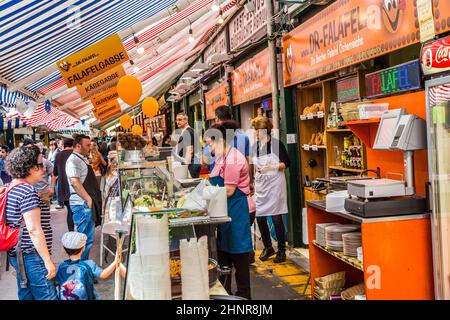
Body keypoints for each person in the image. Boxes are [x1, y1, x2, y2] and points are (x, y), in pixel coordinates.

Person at [205, 123, 254, 299]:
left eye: (209, 144)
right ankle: (225, 294)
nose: (209, 148)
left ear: (219, 140)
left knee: (239, 256)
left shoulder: (233, 158)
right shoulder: (221, 158)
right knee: (224, 254)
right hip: (225, 212)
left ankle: (243, 296)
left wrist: (204, 196)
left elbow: (229, 190)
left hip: (237, 211)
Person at [4, 145, 57, 300]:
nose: (43, 169)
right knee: (47, 295)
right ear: (28, 167)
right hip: (32, 255)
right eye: (40, 165)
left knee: (26, 294)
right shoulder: (27, 191)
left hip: (17, 253)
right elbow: (34, 229)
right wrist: (47, 261)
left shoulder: (11, 187)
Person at [251, 116, 291, 263]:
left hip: (275, 185)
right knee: (260, 217)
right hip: (261, 185)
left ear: (264, 129)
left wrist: (271, 167)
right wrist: (252, 183)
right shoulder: (255, 146)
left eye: (256, 129)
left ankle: (281, 250)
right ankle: (268, 247)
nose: (255, 132)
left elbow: (286, 163)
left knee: (276, 218)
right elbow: (254, 166)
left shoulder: (276, 144)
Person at [56, 232, 126, 300]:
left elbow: (57, 282)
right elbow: (103, 274)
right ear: (83, 248)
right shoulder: (89, 264)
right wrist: (115, 262)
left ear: (64, 250)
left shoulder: (62, 266)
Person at [66, 134, 102, 260]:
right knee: (83, 240)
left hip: (84, 204)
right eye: (87, 145)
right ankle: (82, 269)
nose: (90, 148)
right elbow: (75, 182)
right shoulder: (73, 160)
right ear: (78, 146)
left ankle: (83, 267)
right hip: (82, 205)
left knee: (87, 239)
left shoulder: (81, 158)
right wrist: (88, 199)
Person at [51, 138, 74, 231]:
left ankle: (71, 231)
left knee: (69, 211)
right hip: (75, 186)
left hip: (64, 187)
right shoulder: (75, 154)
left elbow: (55, 173)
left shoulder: (58, 155)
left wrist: (52, 187)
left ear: (64, 145)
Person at [173, 112, 201, 178]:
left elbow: (190, 150)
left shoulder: (187, 132)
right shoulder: (187, 131)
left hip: (191, 164)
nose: (177, 122)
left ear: (186, 120)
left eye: (180, 120)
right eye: (176, 120)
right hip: (192, 162)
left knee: (191, 185)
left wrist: (185, 165)